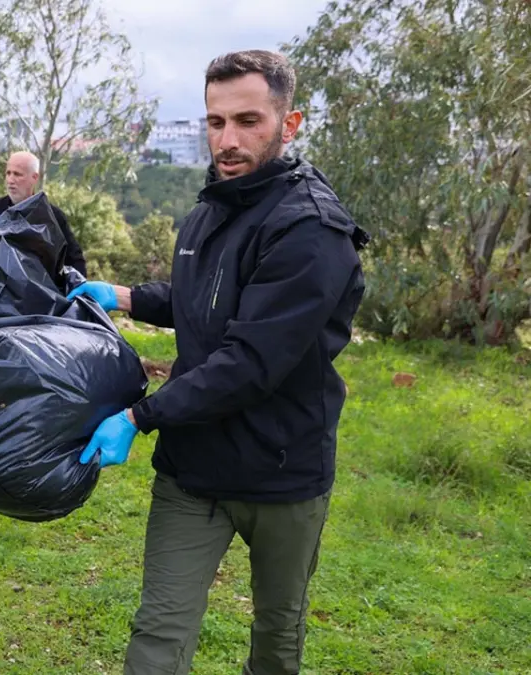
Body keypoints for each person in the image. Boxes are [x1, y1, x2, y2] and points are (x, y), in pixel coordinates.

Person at [68, 50, 369, 675]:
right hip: (194, 472)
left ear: (290, 124)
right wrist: (124, 296)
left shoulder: (311, 230)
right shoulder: (211, 208)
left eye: (248, 121)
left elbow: (250, 361)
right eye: (214, 122)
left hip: (281, 474)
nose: (227, 140)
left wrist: (139, 415)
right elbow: (203, 302)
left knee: (276, 638)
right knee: (158, 634)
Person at [0, 151, 87, 275]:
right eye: (8, 173)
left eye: (17, 174)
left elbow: (74, 260)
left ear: (34, 177)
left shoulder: (53, 216)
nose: (10, 180)